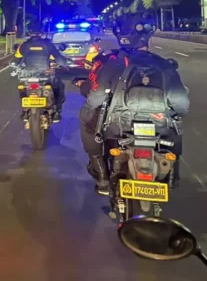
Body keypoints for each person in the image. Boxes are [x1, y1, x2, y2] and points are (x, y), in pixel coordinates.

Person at [79, 16, 189, 195]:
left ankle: (102, 175)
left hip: (118, 127)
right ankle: (172, 176)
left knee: (86, 118)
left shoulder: (112, 64)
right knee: (177, 126)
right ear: (148, 40)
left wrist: (90, 107)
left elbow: (96, 98)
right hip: (160, 128)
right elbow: (182, 105)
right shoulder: (164, 65)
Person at [11, 21, 68, 122]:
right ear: (41, 32)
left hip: (27, 75)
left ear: (29, 32)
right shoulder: (48, 44)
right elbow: (60, 60)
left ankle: (24, 111)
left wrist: (15, 66)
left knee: (22, 88)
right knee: (59, 86)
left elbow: (15, 61)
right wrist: (65, 64)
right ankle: (57, 111)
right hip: (44, 75)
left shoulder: (23, 45)